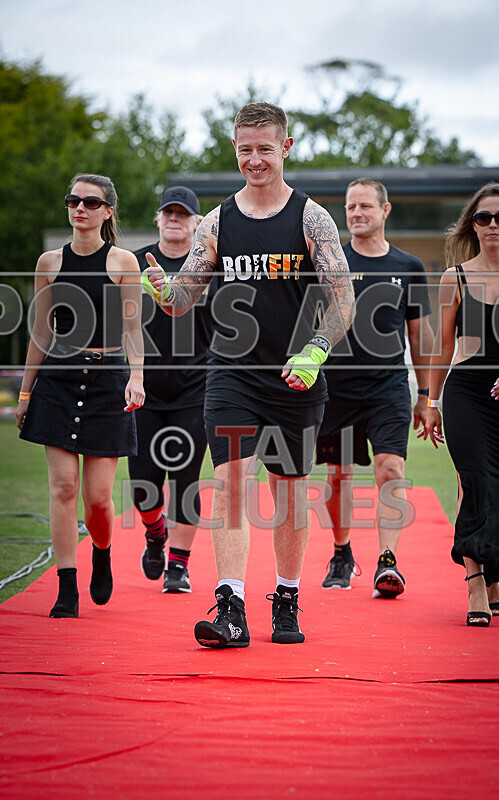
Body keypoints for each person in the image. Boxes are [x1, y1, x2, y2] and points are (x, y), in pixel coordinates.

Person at [143, 102, 355, 647]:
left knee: (289, 492)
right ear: (234, 149)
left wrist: (316, 350)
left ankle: (286, 600)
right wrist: (162, 290)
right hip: (231, 375)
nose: (254, 159)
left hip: (295, 375)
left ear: (285, 147)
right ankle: (231, 608)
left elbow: (344, 300)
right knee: (231, 483)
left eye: (265, 149)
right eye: (245, 150)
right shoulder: (217, 222)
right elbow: (183, 299)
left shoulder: (311, 218)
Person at [17, 174, 145, 618]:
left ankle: (102, 552)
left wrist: (137, 376)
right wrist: (26, 392)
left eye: (91, 203)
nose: (80, 209)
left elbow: (133, 328)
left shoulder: (124, 261)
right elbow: (40, 332)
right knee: (64, 487)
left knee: (98, 498)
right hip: (58, 379)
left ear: (108, 211)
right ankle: (66, 586)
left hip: (109, 382)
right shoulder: (49, 262)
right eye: (74, 201)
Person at [421, 182, 499, 626]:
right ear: (472, 225)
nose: (492, 224)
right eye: (483, 217)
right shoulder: (455, 277)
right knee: (471, 482)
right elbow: (442, 346)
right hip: (466, 393)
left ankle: (493, 574)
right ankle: (474, 583)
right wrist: (431, 401)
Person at [316, 178, 433, 596]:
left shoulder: (409, 266)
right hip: (336, 389)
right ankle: (341, 552)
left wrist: (426, 396)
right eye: (350, 207)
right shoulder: (331, 263)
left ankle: (388, 562)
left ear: (385, 211)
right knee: (338, 477)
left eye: (365, 206)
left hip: (388, 388)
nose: (356, 213)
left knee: (391, 469)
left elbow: (419, 337)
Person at [130, 186, 211, 593]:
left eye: (183, 213)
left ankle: (178, 566)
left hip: (194, 390)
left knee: (185, 479)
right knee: (143, 485)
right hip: (142, 389)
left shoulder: (209, 267)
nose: (174, 219)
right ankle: (154, 531)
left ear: (197, 222)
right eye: (168, 212)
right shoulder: (133, 263)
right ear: (158, 219)